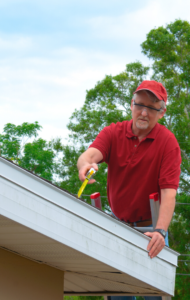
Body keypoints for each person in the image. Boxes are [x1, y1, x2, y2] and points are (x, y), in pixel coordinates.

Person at [77, 80, 181, 300]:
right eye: (139, 105)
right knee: (117, 294)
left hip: (151, 231)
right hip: (118, 226)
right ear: (131, 105)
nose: (144, 112)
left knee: (155, 295)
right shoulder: (113, 132)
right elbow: (88, 156)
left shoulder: (168, 143)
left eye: (152, 108)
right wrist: (85, 165)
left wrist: (161, 232)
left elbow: (169, 192)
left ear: (161, 112)